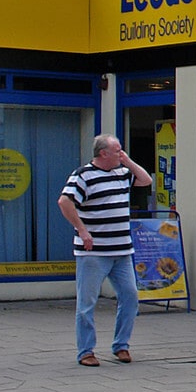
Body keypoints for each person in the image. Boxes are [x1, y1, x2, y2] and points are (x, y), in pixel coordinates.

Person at [58, 134, 153, 367]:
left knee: (130, 296)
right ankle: (86, 351)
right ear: (103, 153)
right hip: (94, 252)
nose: (121, 153)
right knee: (87, 303)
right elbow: (64, 202)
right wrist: (82, 230)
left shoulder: (121, 173)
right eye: (117, 150)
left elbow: (146, 180)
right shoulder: (83, 175)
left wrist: (128, 162)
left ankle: (121, 345)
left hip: (121, 250)